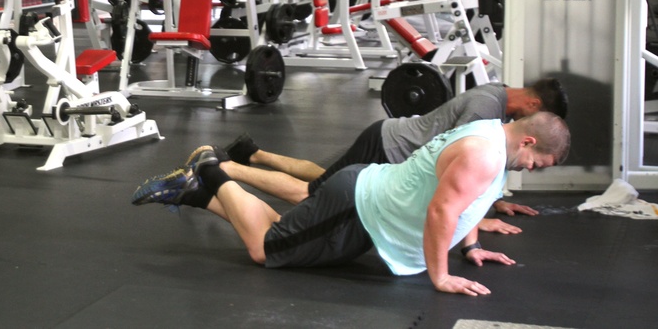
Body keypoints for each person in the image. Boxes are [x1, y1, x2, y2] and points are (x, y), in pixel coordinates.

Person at [133, 112, 570, 296]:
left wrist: (471, 247)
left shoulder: (493, 132)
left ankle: (195, 193)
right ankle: (212, 170)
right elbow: (443, 211)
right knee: (266, 248)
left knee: (284, 233)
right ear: (528, 140)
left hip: (364, 204)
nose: (530, 169)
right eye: (536, 163)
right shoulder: (485, 153)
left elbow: (470, 202)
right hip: (359, 207)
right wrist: (440, 277)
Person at [211, 79, 567, 230]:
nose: (529, 124)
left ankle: (253, 154)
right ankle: (223, 167)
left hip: (390, 138)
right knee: (312, 193)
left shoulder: (497, 93)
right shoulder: (486, 109)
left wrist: (494, 201)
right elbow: (457, 167)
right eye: (533, 117)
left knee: (325, 175)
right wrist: (476, 216)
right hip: (390, 147)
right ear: (533, 104)